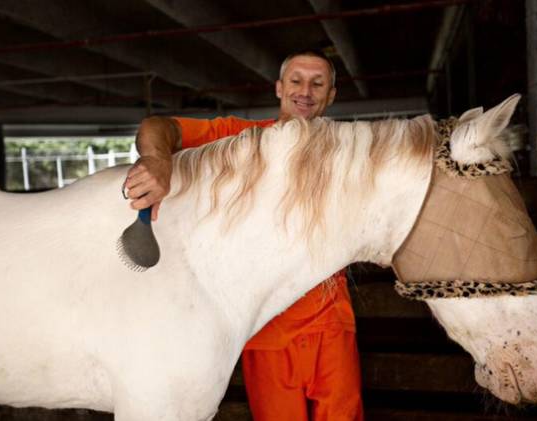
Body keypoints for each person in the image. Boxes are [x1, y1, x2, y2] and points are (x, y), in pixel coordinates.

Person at [123, 50, 363, 421]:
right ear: (280, 88)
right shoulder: (239, 137)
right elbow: (158, 126)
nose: (306, 91)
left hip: (330, 321)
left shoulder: (350, 151)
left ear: (331, 95)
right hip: (265, 323)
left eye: (318, 84)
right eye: (296, 81)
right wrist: (158, 160)